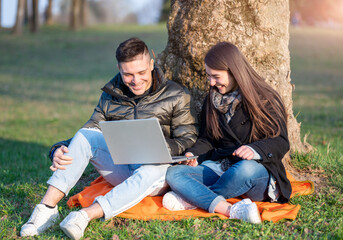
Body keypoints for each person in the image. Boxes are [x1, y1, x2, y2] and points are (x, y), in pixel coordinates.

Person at [20, 37, 197, 239]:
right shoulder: (111, 93)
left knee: (152, 168)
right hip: (122, 167)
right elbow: (91, 129)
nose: (136, 81)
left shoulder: (176, 94)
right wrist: (58, 148)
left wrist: (160, 148)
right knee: (85, 136)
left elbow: (188, 137)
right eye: (128, 74)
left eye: (141, 72)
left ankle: (84, 216)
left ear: (151, 63)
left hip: (157, 173)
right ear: (118, 69)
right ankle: (47, 208)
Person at [163, 42, 291, 224]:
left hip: (257, 171)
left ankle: (191, 199)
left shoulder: (265, 98)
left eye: (216, 76)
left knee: (244, 170)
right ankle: (222, 206)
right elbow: (208, 139)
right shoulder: (212, 99)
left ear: (234, 72)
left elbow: (281, 141)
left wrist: (255, 150)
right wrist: (194, 154)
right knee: (174, 174)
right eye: (208, 76)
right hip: (221, 167)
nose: (211, 82)